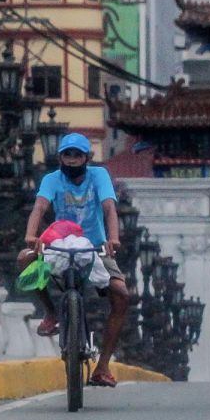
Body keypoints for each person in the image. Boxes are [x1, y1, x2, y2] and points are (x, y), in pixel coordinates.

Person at [19, 133, 129, 387]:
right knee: (24, 259)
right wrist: (31, 235)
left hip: (95, 248)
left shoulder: (99, 176)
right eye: (66, 155)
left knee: (122, 294)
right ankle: (50, 313)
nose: (71, 160)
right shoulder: (51, 179)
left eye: (77, 155)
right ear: (60, 158)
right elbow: (39, 207)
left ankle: (102, 367)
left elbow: (109, 208)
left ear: (87, 158)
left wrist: (113, 239)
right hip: (58, 244)